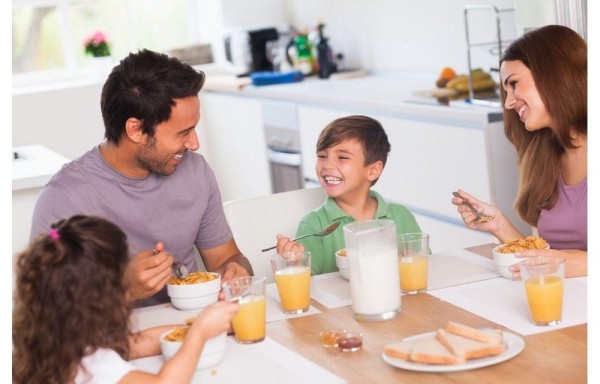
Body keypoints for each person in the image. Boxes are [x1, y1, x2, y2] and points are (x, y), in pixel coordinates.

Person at [30, 49, 253, 306]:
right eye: (183, 133)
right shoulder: (63, 200)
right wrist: (122, 288)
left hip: (198, 328)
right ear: (135, 129)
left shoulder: (195, 173)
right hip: (115, 341)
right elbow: (45, 310)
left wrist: (236, 271)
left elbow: (228, 258)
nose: (195, 144)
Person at [13, 215, 239, 383]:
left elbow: (139, 343)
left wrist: (211, 326)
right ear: (105, 296)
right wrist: (199, 333)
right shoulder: (92, 365)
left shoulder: (50, 341)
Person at [452, 25, 587, 278]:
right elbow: (548, 259)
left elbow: (563, 261)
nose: (508, 102)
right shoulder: (546, 156)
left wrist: (578, 263)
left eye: (514, 84)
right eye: (506, 91)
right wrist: (500, 225)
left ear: (554, 75)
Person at [276, 115, 422, 274]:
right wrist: (295, 264)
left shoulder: (400, 216)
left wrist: (411, 259)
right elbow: (307, 289)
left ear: (373, 171)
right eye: (322, 156)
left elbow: (423, 266)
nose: (327, 165)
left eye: (342, 157)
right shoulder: (313, 224)